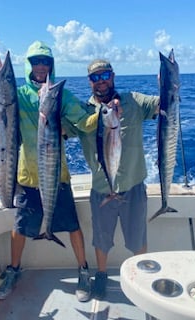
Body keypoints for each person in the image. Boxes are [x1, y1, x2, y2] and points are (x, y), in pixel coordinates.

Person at [0, 41, 98, 302]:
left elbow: (84, 121)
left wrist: (103, 115)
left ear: (51, 65)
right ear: (30, 66)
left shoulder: (60, 93)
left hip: (57, 175)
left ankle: (83, 271)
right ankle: (14, 270)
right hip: (26, 176)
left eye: (45, 62)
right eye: (36, 62)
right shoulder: (20, 93)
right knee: (20, 227)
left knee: (72, 226)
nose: (41, 66)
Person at [64, 59, 160, 300]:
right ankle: (102, 275)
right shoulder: (82, 111)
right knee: (101, 239)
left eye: (104, 75)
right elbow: (61, 128)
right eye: (95, 77)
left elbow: (163, 105)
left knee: (138, 237)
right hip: (101, 190)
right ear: (89, 82)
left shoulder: (134, 101)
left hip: (133, 187)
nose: (101, 81)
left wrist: (168, 85)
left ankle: (142, 279)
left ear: (113, 75)